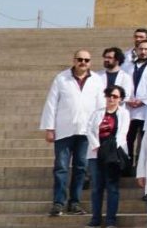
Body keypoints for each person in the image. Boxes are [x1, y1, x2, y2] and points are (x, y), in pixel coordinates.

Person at [41, 50, 103, 216]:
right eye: (80, 59)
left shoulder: (97, 80)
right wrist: (49, 128)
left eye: (86, 60)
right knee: (61, 167)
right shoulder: (62, 78)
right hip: (64, 130)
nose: (83, 62)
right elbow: (51, 103)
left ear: (90, 62)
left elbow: (100, 106)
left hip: (86, 131)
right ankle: (58, 202)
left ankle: (75, 202)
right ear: (74, 60)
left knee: (81, 167)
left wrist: (99, 130)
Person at [88, 86, 132, 228]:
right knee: (96, 187)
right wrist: (97, 146)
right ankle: (95, 219)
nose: (111, 98)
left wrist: (109, 150)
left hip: (113, 154)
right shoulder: (97, 113)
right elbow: (89, 130)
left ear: (120, 99)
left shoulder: (124, 113)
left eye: (115, 96)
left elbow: (122, 133)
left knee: (112, 187)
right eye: (109, 95)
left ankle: (111, 220)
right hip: (96, 153)